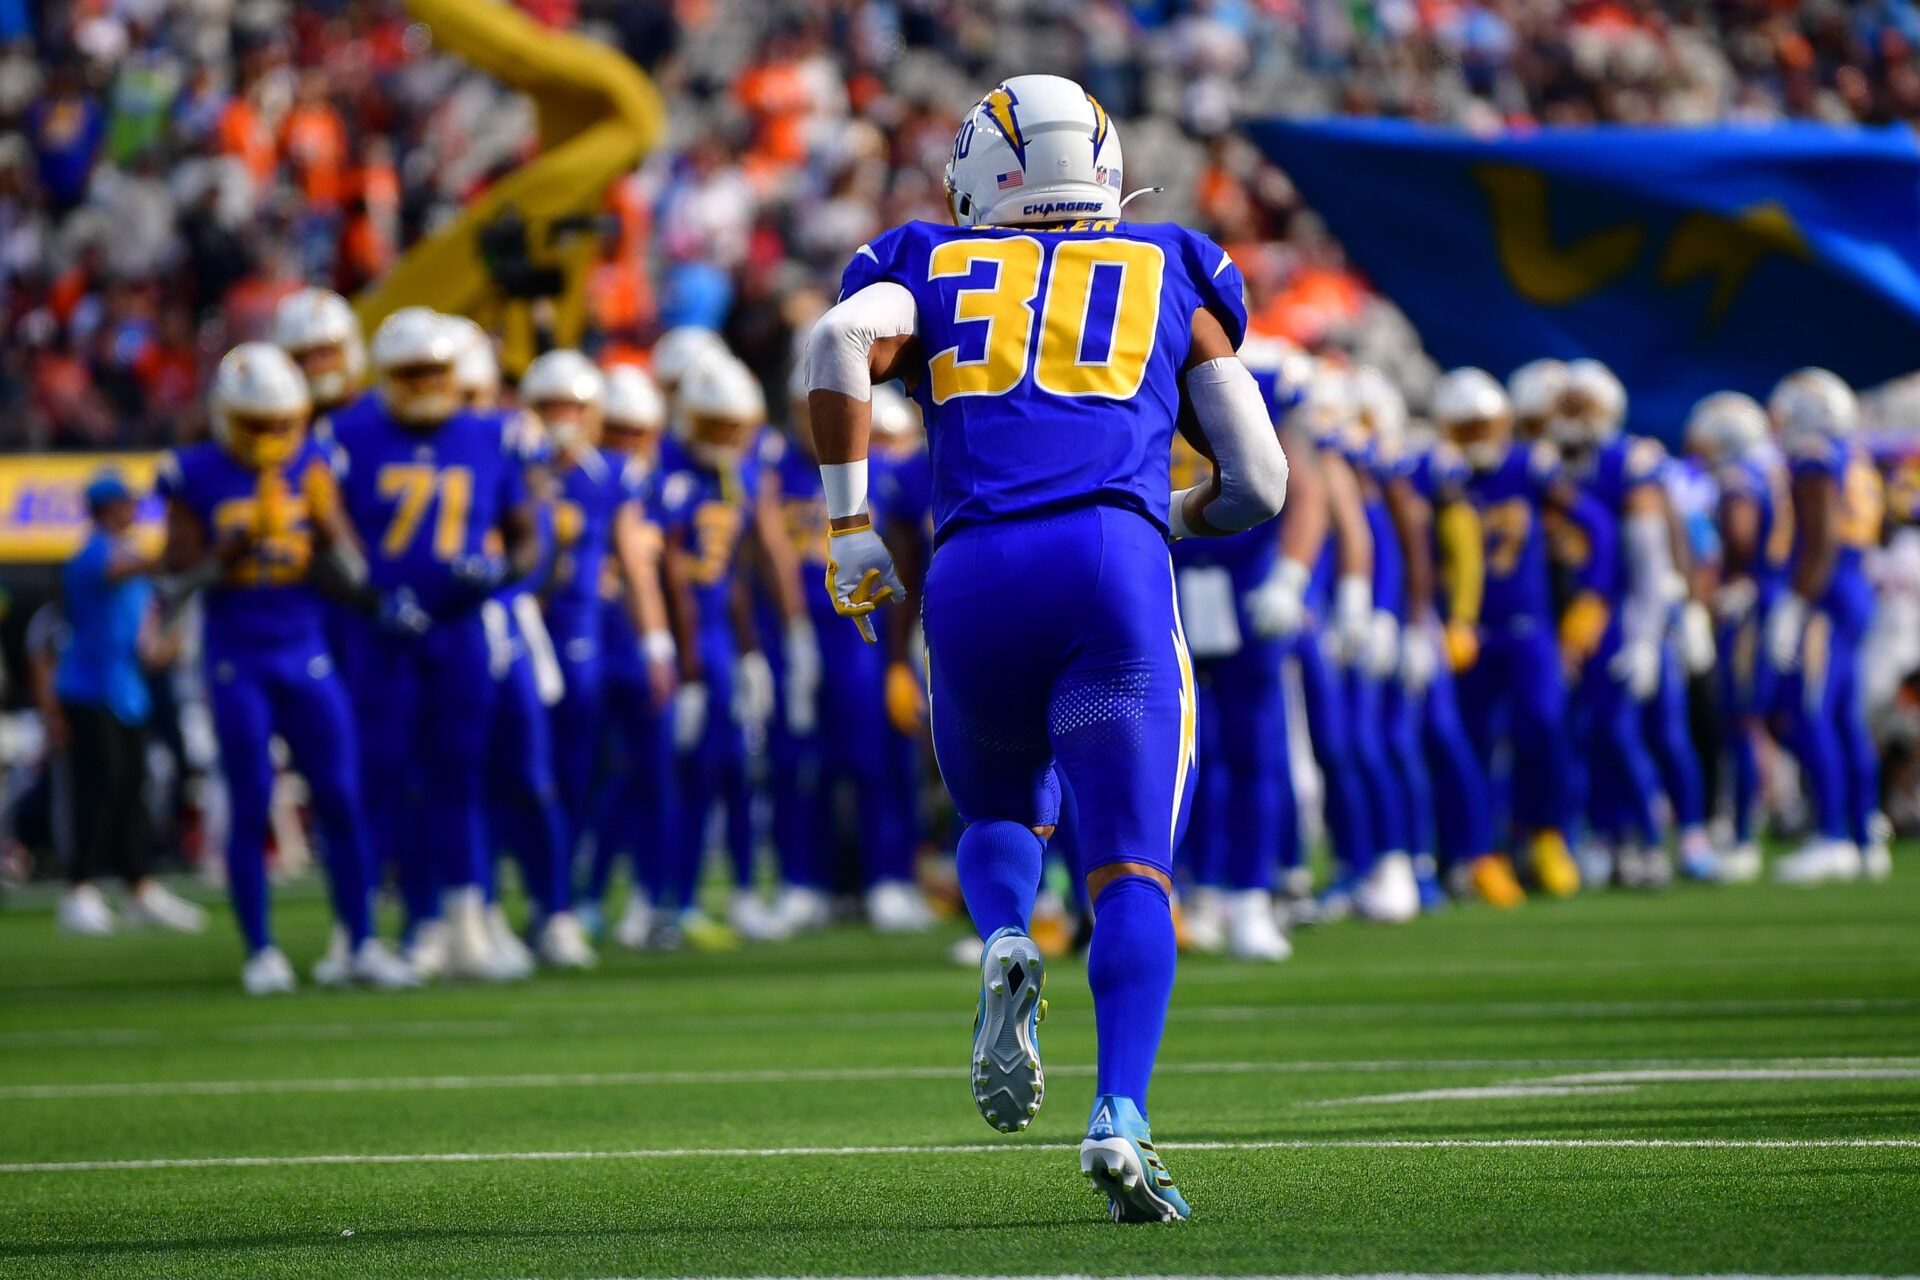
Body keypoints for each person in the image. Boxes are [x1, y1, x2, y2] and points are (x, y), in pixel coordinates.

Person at [804, 75, 1287, 1221]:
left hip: (973, 572)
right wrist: (1161, 514)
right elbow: (1260, 481)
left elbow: (835, 344)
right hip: (1112, 563)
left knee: (998, 814)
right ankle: (1120, 1112)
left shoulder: (922, 258)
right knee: (1131, 867)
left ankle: (1010, 933)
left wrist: (849, 523)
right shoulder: (1172, 263)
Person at [155, 343, 416, 993]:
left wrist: (326, 544)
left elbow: (349, 564)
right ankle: (261, 951)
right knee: (249, 801)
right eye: (258, 423)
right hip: (237, 653)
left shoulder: (315, 460)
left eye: (282, 422)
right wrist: (233, 548)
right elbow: (175, 579)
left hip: (305, 647)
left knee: (340, 796)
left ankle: (360, 942)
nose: (274, 437)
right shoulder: (194, 471)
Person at [326, 307, 542, 980]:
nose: (423, 383)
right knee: (379, 780)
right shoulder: (347, 433)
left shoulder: (491, 435)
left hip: (460, 631)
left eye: (434, 370)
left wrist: (499, 573)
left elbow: (527, 533)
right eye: (409, 371)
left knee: (458, 779)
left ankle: (461, 924)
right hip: (381, 634)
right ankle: (364, 931)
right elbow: (320, 543)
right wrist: (370, 599)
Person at [44, 471, 205, 937]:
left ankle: (138, 884)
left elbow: (145, 629)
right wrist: (180, 555)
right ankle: (78, 888)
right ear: (109, 507)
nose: (133, 508)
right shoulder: (93, 553)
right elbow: (121, 572)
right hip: (88, 688)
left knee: (132, 786)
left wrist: (169, 635)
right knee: (99, 788)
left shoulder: (128, 558)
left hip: (126, 689)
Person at [1766, 369, 1891, 883]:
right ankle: (1863, 836)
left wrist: (1795, 603)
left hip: (1828, 594)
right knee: (1844, 718)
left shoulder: (1816, 454)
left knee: (1813, 712)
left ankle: (1835, 835)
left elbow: (1820, 539)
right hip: (1854, 589)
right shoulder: (1854, 456)